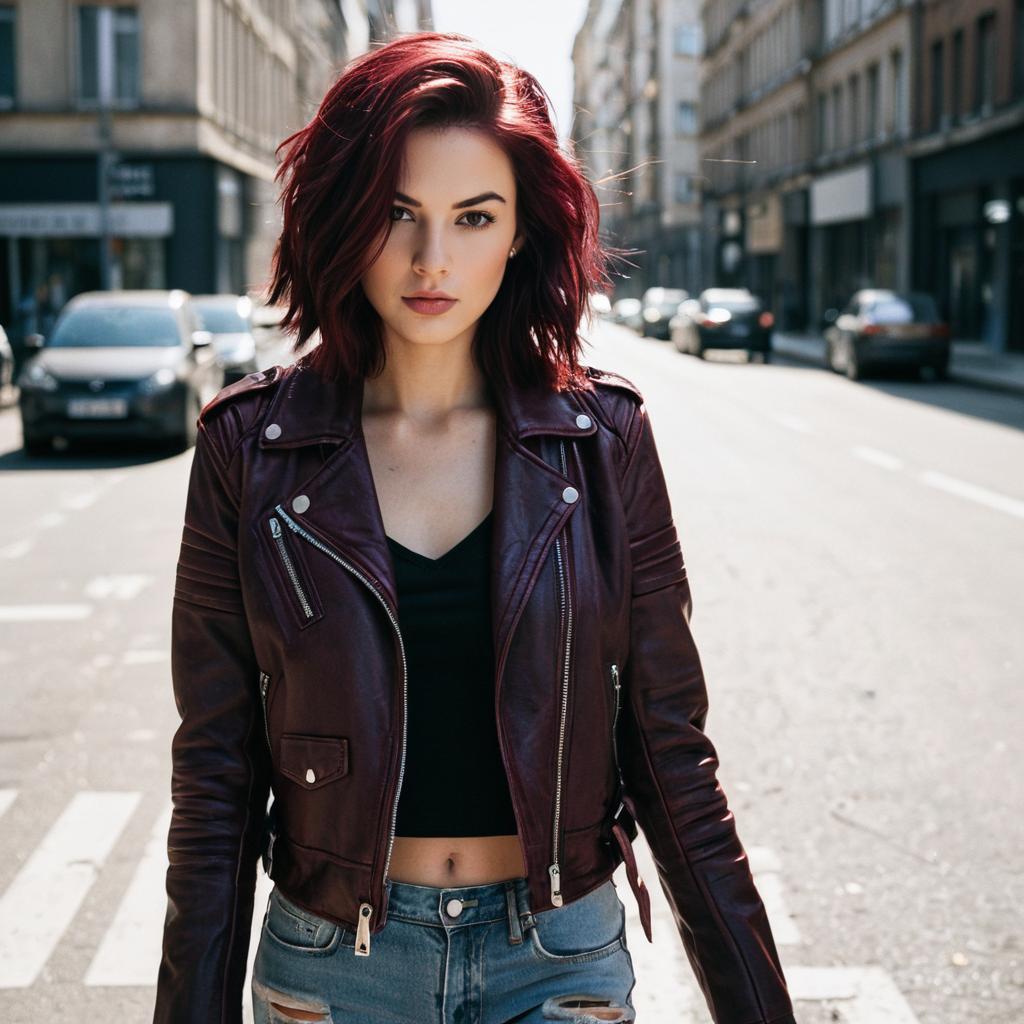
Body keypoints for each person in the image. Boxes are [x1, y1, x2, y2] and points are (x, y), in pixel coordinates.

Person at [154, 32, 796, 1024]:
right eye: (397, 213)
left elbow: (672, 757)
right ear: (346, 216)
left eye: (474, 217)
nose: (432, 259)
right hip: (334, 969)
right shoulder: (251, 448)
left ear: (521, 232)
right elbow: (216, 779)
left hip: (557, 957)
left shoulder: (602, 442)